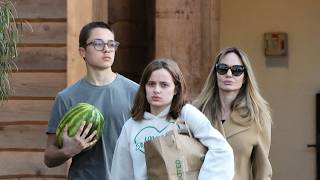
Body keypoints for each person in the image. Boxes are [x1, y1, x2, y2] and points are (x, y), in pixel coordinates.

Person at [43, 21, 139, 180]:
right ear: (83, 51)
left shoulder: (136, 92)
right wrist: (67, 151)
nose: (107, 49)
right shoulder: (66, 97)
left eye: (111, 44)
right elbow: (48, 157)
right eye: (98, 44)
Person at [111, 58, 234, 180]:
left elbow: (222, 150)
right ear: (144, 87)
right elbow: (121, 173)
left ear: (175, 89)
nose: (156, 90)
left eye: (164, 85)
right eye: (151, 84)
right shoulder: (131, 126)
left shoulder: (186, 114)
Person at [193, 47, 272, 180]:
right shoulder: (197, 112)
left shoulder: (258, 118)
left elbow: (262, 171)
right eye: (223, 68)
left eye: (236, 70)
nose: (229, 74)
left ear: (245, 77)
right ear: (215, 73)